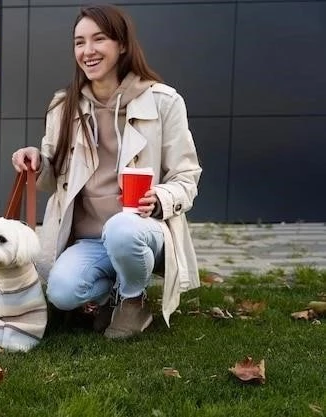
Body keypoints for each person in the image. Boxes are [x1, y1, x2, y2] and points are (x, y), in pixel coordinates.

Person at [11, 4, 202, 339]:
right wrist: (37, 161)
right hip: (89, 238)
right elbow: (50, 179)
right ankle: (108, 295)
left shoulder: (164, 102)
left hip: (142, 231)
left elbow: (187, 177)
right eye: (79, 42)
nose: (88, 51)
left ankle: (133, 299)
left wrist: (159, 197)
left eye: (99, 39)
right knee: (62, 293)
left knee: (122, 230)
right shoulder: (63, 105)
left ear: (122, 44)